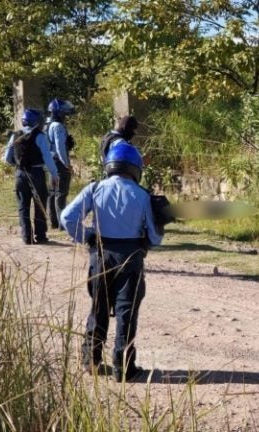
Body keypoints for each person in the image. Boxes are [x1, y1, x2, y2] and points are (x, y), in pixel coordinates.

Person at [60, 142, 163, 383]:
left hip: (101, 253)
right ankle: (123, 367)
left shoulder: (94, 188)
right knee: (127, 310)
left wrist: (85, 236)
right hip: (131, 257)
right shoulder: (143, 195)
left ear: (109, 166)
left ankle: (91, 360)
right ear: (135, 168)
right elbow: (155, 238)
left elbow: (67, 217)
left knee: (99, 307)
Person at [3, 108, 59, 245]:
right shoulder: (40, 136)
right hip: (37, 174)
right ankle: (40, 236)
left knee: (23, 205)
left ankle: (26, 236)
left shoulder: (15, 135)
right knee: (39, 205)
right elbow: (47, 157)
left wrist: (17, 164)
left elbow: (7, 158)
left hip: (20, 174)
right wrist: (54, 174)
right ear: (36, 122)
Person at [45, 98, 75, 230]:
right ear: (60, 113)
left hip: (51, 161)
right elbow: (60, 147)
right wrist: (66, 164)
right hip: (59, 162)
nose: (66, 117)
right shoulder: (58, 126)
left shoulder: (47, 124)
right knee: (61, 193)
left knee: (52, 192)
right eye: (64, 114)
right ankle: (62, 223)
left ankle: (54, 222)